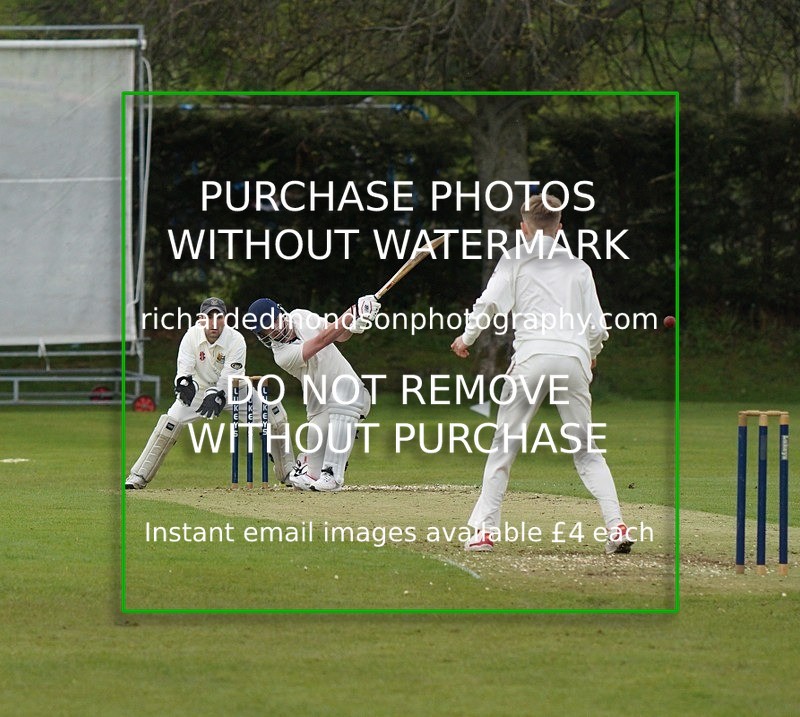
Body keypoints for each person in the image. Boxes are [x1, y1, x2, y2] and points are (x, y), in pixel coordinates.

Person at [450, 194, 634, 555]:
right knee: (587, 452)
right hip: (573, 360)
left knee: (504, 447)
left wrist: (465, 337)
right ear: (559, 228)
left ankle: (484, 533)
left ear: (524, 228)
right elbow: (597, 327)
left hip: (533, 357)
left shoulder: (515, 258)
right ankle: (616, 526)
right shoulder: (579, 267)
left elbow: (488, 304)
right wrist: (591, 355)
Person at [244, 294, 380, 492]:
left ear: (280, 313)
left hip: (352, 392)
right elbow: (320, 342)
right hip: (320, 409)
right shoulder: (281, 355)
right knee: (309, 480)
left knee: (345, 395)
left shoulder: (301, 316)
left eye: (271, 321)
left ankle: (333, 475)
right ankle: (308, 465)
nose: (271, 329)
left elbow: (339, 335)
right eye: (265, 329)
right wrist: (352, 313)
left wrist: (355, 323)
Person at [125, 297, 247, 490]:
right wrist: (183, 384)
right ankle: (138, 476)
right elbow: (184, 367)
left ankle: (289, 473)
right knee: (170, 421)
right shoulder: (192, 335)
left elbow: (228, 377)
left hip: (234, 391)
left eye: (219, 317)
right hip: (199, 392)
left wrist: (217, 394)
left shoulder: (236, 340)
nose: (214, 323)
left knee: (272, 416)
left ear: (226, 318)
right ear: (201, 318)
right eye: (209, 317)